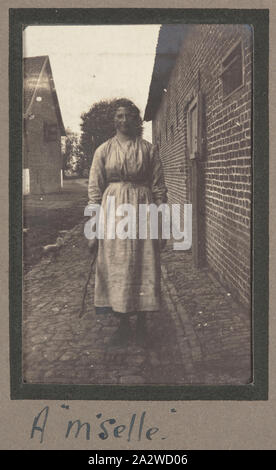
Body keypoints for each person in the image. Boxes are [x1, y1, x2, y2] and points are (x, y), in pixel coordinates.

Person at [87, 98, 167, 347]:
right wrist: (92, 228)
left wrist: (160, 224)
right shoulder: (104, 150)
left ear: (135, 120)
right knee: (117, 265)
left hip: (143, 209)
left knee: (143, 263)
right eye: (119, 116)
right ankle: (122, 324)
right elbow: (94, 190)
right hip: (114, 211)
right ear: (114, 120)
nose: (123, 121)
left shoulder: (148, 149)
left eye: (128, 116)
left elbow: (159, 188)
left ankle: (142, 324)